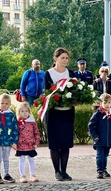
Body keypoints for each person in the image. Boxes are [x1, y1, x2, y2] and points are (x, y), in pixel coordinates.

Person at [44, 47, 76, 181]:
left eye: (67, 58)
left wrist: (76, 100)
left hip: (67, 113)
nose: (65, 60)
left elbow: (76, 91)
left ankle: (64, 170)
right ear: (55, 58)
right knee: (55, 144)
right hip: (54, 114)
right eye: (62, 57)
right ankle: (57, 171)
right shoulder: (49, 74)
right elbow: (47, 93)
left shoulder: (71, 73)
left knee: (65, 143)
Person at [88, 93, 111, 179]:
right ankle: (99, 170)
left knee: (105, 155)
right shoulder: (98, 114)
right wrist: (95, 136)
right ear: (101, 103)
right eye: (105, 102)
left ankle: (104, 169)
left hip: (108, 139)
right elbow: (91, 125)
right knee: (100, 155)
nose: (107, 104)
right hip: (99, 139)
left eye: (109, 102)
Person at [0, 94, 18, 184]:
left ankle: (6, 174)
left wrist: (14, 141)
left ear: (10, 104)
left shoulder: (12, 116)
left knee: (6, 158)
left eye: (6, 103)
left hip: (7, 141)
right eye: (2, 103)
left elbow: (15, 129)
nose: (4, 105)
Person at [15, 101, 40, 183]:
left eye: (26, 111)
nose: (25, 113)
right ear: (18, 112)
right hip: (21, 145)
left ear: (29, 112)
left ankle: (33, 175)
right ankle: (22, 175)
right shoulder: (17, 122)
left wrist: (36, 142)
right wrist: (14, 142)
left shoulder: (32, 122)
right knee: (21, 160)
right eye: (22, 111)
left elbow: (36, 132)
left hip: (30, 144)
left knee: (31, 160)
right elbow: (15, 133)